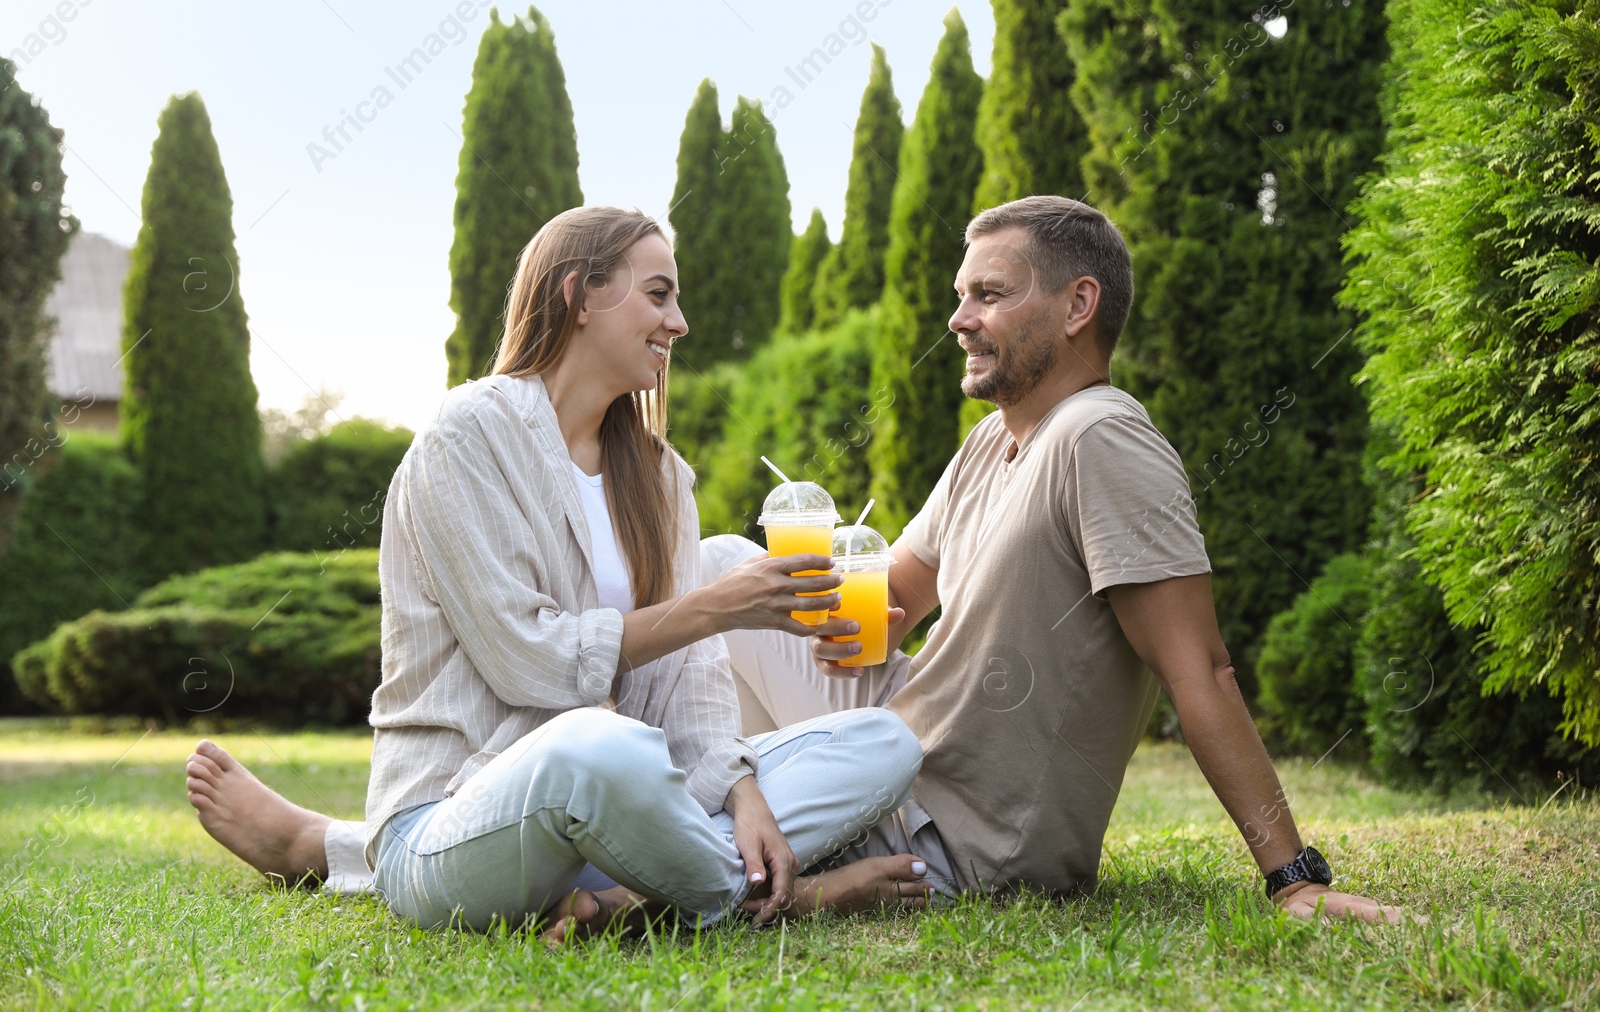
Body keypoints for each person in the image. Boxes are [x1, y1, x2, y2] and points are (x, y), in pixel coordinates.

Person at [191, 196, 1409, 925]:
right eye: (957, 291)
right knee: (718, 571)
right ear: (577, 298)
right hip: (889, 747)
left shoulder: (1105, 437)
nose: (958, 315)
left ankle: (380, 857)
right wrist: (778, 602)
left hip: (957, 822)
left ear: (1078, 304)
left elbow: (1201, 667)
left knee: (675, 680)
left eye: (988, 294)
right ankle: (432, 851)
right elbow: (898, 597)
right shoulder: (999, 440)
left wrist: (1290, 872)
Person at [188, 205, 933, 935]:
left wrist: (743, 794)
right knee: (600, 745)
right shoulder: (467, 436)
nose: (679, 324)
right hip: (458, 813)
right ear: (580, 294)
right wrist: (716, 605)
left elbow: (695, 685)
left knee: (883, 743)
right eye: (658, 294)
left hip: (622, 814)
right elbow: (529, 662)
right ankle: (787, 898)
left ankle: (627, 900)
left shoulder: (663, 477)